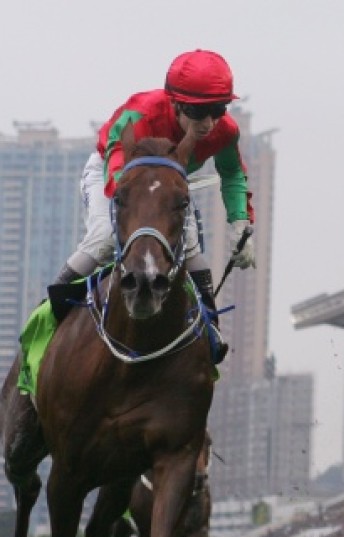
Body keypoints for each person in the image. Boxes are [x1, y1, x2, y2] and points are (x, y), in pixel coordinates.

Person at [52, 49, 256, 363]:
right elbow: (119, 165)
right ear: (175, 102)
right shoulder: (141, 113)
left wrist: (240, 223)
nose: (210, 123)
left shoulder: (225, 131)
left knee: (190, 248)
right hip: (116, 175)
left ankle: (211, 329)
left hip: (166, 186)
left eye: (218, 109)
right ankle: (48, 317)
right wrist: (139, 205)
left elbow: (231, 172)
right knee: (106, 237)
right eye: (200, 112)